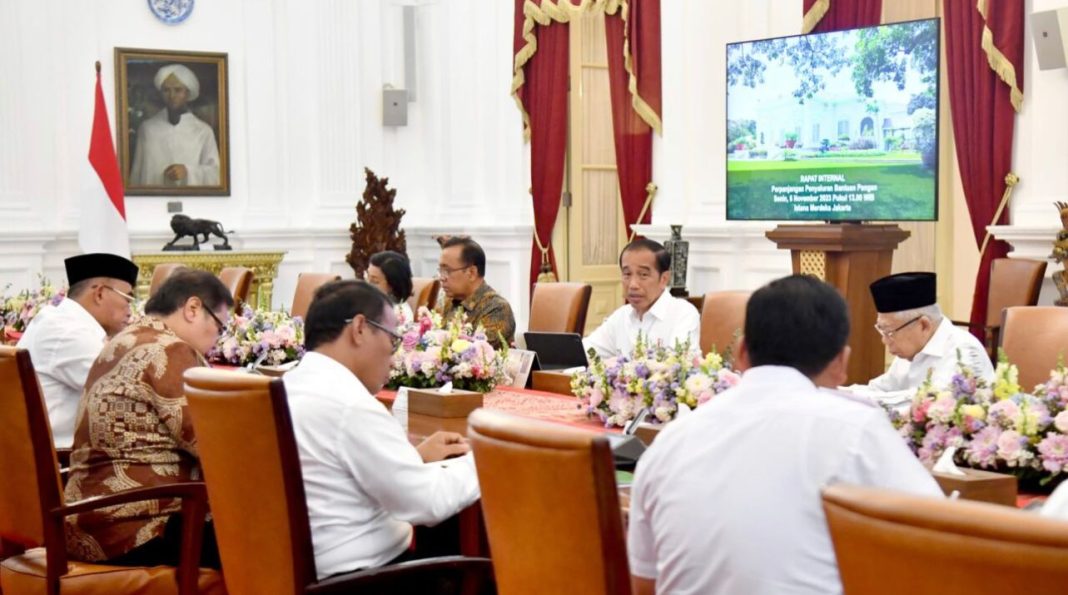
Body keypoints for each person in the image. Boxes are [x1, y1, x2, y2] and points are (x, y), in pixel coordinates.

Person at [627, 274, 943, 595]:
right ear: (840, 363)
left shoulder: (671, 440)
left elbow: (644, 584)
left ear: (740, 352)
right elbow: (939, 540)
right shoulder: (855, 430)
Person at [284, 280, 479, 577]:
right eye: (393, 338)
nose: (394, 354)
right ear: (360, 328)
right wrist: (486, 460)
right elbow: (428, 502)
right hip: (360, 580)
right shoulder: (349, 403)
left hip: (295, 571)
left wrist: (412, 456)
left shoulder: (289, 385)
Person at [64, 270, 233, 568]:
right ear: (193, 309)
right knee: (275, 540)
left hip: (91, 520)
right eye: (220, 327)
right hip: (136, 530)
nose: (218, 341)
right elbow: (215, 444)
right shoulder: (170, 350)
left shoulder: (123, 339)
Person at [17, 253, 139, 448]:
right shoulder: (68, 331)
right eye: (128, 299)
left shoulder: (59, 320)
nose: (130, 310)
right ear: (99, 293)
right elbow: (128, 396)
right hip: (62, 463)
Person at [850, 272, 994, 406]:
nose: (885, 341)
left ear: (923, 325)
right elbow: (882, 388)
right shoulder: (910, 351)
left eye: (889, 332)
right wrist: (841, 394)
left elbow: (930, 405)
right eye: (882, 330)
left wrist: (867, 399)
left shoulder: (964, 352)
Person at [583, 238, 700, 358]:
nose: (633, 285)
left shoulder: (683, 313)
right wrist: (600, 367)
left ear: (664, 279)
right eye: (627, 274)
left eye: (643, 275)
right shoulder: (621, 316)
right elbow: (589, 351)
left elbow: (676, 366)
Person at [129, 64, 220, 187]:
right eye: (166, 90)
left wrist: (187, 171)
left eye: (178, 90)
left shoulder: (203, 131)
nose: (172, 96)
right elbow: (136, 175)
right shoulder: (147, 129)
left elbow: (215, 174)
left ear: (188, 93)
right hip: (151, 202)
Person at [436, 236, 515, 349]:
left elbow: (473, 355)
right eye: (440, 271)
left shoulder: (496, 309)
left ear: (472, 272)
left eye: (447, 271)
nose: (442, 278)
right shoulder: (446, 301)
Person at [367, 250, 414, 325]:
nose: (367, 285)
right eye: (367, 277)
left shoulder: (400, 315)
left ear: (392, 285)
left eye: (374, 282)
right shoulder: (369, 305)